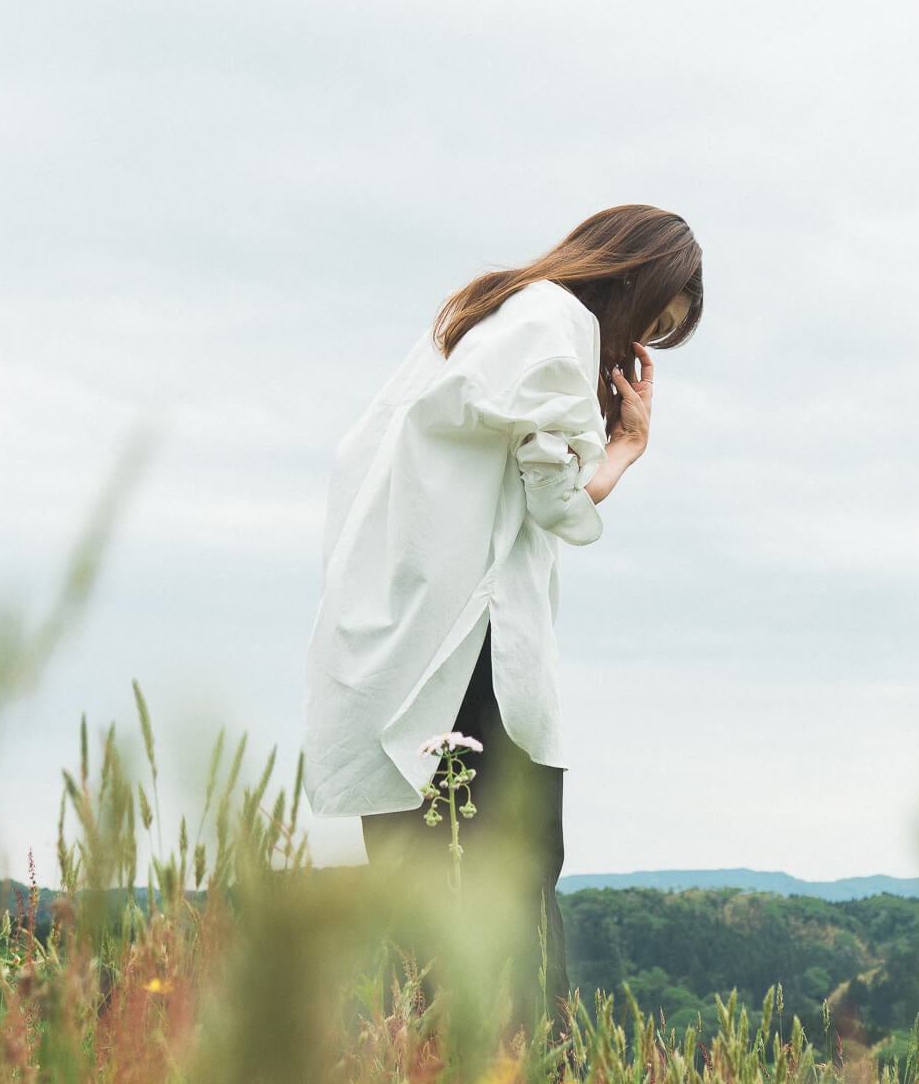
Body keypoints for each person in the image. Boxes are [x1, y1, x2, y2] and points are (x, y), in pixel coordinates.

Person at [301, 205, 703, 1032]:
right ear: (629, 280)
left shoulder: (490, 312)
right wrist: (625, 447)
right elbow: (556, 498)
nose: (635, 351)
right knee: (516, 885)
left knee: (419, 893)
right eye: (649, 324)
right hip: (468, 647)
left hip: (396, 638)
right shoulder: (556, 329)